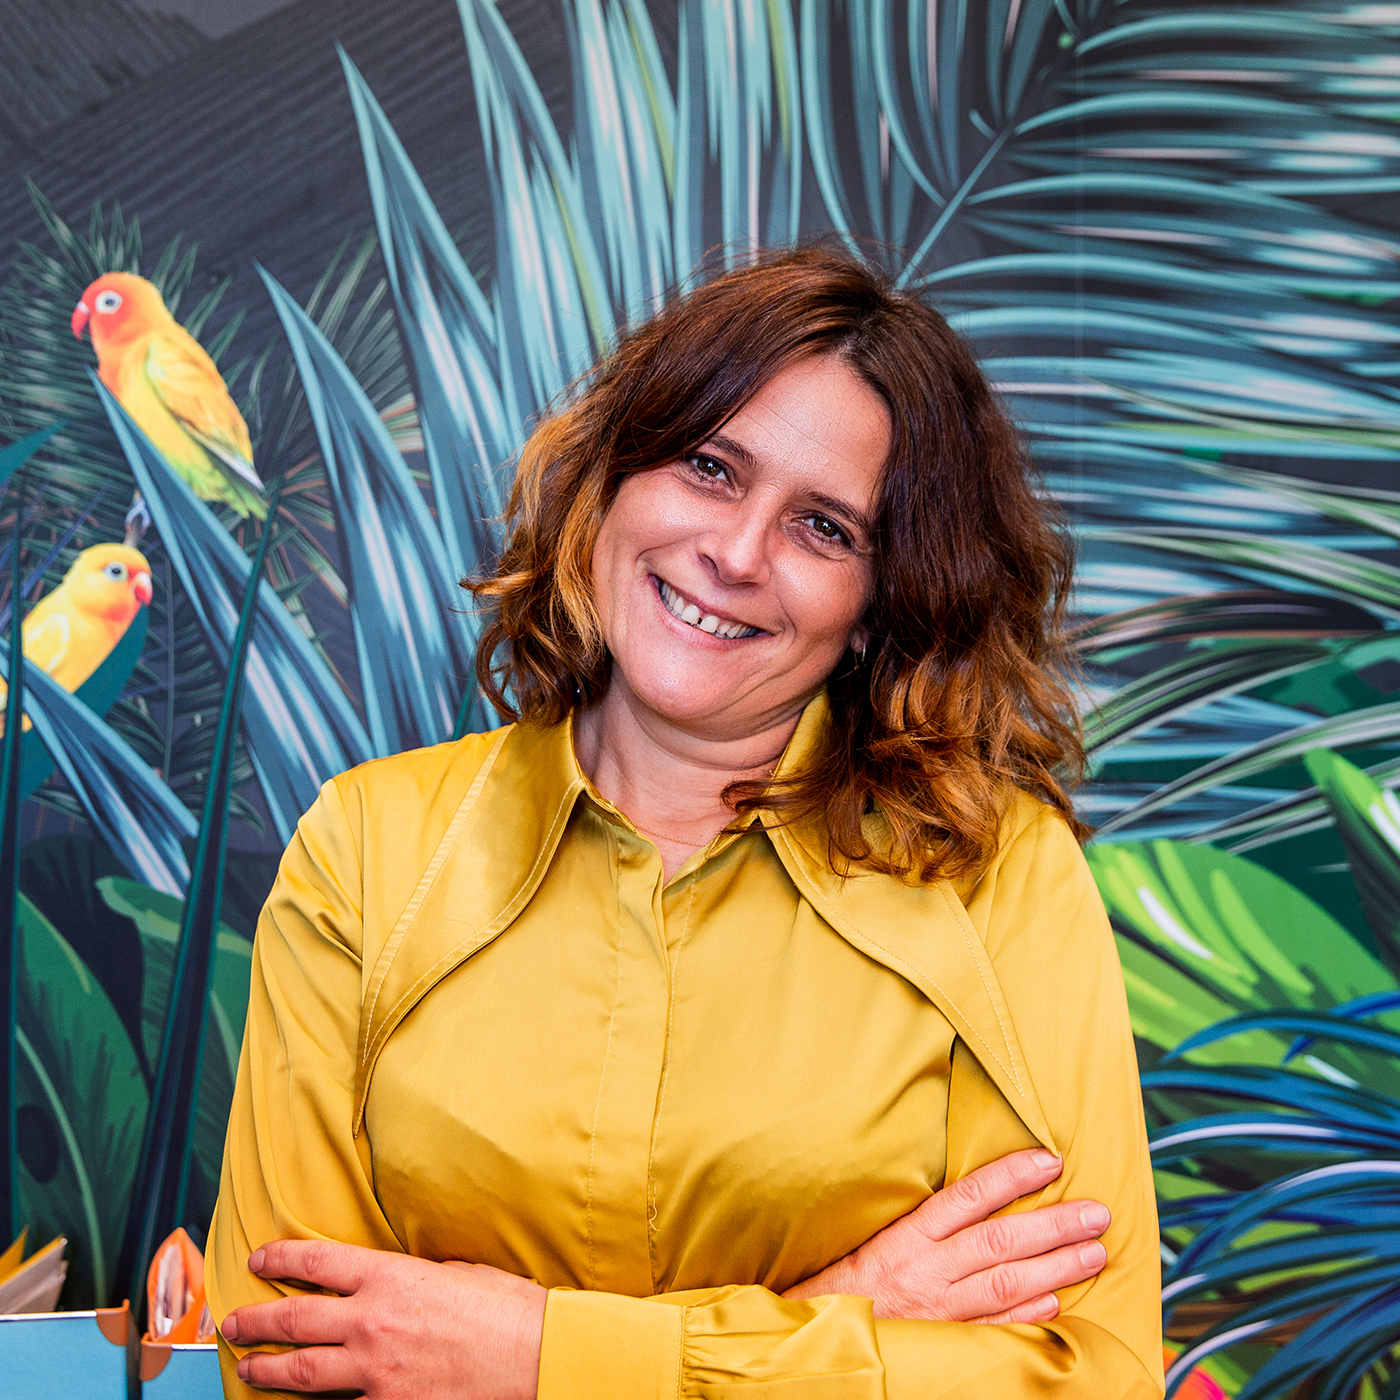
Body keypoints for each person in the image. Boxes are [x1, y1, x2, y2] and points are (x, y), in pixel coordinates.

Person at [206, 247, 1163, 1399]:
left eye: (823, 528)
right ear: (614, 474)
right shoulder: (367, 852)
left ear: (878, 604)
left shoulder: (995, 876)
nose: (736, 553)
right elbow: (282, 1361)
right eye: (710, 467)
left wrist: (539, 1356)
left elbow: (1087, 1378)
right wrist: (841, 1316)